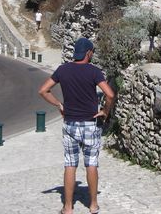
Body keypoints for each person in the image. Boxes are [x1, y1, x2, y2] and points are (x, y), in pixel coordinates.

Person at [38, 38, 115, 214]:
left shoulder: (63, 70)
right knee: (91, 164)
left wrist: (59, 105)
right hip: (90, 124)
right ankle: (93, 205)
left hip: (70, 124)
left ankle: (67, 207)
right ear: (88, 53)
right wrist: (105, 111)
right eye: (92, 52)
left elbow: (43, 90)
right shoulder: (94, 71)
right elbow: (110, 94)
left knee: (70, 164)